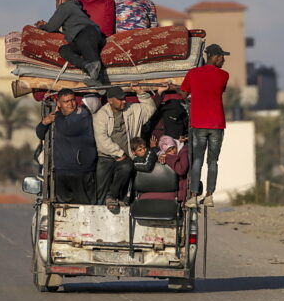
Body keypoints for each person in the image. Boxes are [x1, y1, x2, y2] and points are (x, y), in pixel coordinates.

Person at [92, 85, 165, 210]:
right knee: (101, 183)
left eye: (124, 98)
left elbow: (150, 108)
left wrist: (141, 92)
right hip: (106, 155)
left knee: (126, 168)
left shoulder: (132, 109)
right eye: (120, 99)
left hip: (127, 155)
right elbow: (102, 140)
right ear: (110, 100)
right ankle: (98, 208)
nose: (124, 101)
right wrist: (119, 153)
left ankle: (113, 198)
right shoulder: (101, 115)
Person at [175, 44, 230, 208]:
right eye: (222, 57)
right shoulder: (224, 75)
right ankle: (209, 196)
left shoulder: (193, 73)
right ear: (217, 56)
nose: (224, 60)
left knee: (197, 160)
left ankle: (192, 197)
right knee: (212, 161)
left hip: (199, 124)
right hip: (217, 125)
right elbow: (220, 90)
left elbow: (184, 93)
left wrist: (173, 88)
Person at [36, 88, 97, 204]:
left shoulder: (82, 114)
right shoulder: (58, 118)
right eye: (66, 101)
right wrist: (44, 122)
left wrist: (57, 114)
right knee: (63, 209)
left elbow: (67, 128)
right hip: (61, 171)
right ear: (59, 103)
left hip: (81, 171)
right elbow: (40, 133)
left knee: (85, 208)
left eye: (72, 100)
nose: (71, 104)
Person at [36, 0, 104, 81]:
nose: (55, 4)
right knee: (64, 50)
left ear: (61, 0)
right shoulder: (76, 10)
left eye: (56, 1)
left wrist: (41, 26)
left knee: (95, 63)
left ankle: (96, 74)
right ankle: (87, 66)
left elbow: (51, 27)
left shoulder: (65, 6)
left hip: (86, 33)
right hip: (85, 36)